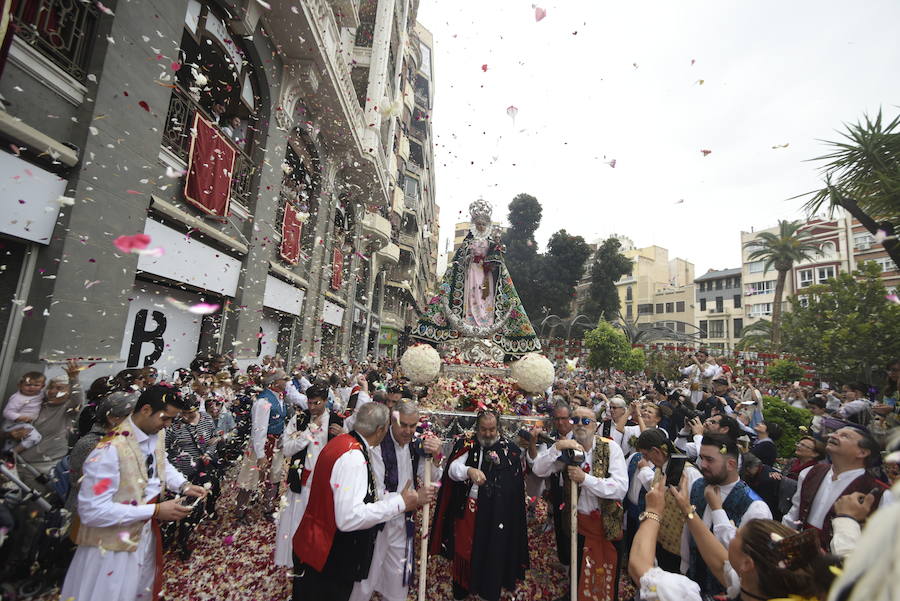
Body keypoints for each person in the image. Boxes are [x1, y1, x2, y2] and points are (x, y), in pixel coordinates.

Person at [59, 385, 208, 601]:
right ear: (146, 409)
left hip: (143, 533)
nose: (168, 425)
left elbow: (161, 463)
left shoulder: (156, 433)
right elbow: (92, 511)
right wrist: (155, 510)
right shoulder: (108, 450)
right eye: (165, 418)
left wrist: (183, 485)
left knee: (139, 588)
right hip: (110, 544)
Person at [291, 402, 434, 601]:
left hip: (314, 542)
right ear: (384, 428)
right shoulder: (354, 457)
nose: (408, 431)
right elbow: (348, 518)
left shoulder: (341, 442)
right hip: (326, 550)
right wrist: (401, 502)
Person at [631, 479, 840, 601]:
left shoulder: (685, 595)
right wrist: (687, 511)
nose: (732, 534)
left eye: (737, 533)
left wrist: (653, 511)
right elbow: (721, 565)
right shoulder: (761, 583)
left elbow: (639, 568)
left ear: (747, 564)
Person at [412, 199, 541, 356]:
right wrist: (469, 258)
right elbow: (458, 263)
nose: (480, 226)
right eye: (478, 223)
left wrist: (492, 257)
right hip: (470, 276)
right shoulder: (467, 243)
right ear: (474, 224)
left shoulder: (493, 244)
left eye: (483, 224)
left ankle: (485, 325)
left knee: (485, 299)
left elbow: (498, 264)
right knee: (470, 298)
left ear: (487, 227)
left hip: (486, 278)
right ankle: (469, 323)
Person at [430, 410, 529, 601]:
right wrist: (469, 471)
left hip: (497, 513)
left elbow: (515, 486)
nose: (488, 434)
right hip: (470, 510)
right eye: (484, 429)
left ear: (498, 428)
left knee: (493, 550)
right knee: (465, 548)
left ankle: (488, 588)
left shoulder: (511, 450)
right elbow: (452, 470)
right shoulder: (466, 443)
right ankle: (463, 585)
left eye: (492, 429)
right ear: (477, 428)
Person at [348, 400, 442, 601]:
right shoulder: (377, 445)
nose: (408, 431)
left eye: (412, 426)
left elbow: (432, 478)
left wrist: (435, 458)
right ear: (392, 420)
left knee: (398, 579)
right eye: (403, 425)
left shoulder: (416, 444)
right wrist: (413, 499)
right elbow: (374, 493)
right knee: (364, 580)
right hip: (376, 524)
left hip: (402, 524)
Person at [532, 405, 628, 601]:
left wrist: (585, 479)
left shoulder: (610, 448)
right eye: (575, 420)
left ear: (595, 425)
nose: (580, 425)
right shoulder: (566, 448)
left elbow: (619, 488)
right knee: (578, 573)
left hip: (606, 525)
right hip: (578, 526)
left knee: (605, 576)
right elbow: (539, 470)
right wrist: (556, 448)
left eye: (585, 421)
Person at [682, 434, 772, 596]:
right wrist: (685, 565)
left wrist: (717, 511)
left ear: (731, 464)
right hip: (693, 580)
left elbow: (744, 558)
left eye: (710, 460)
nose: (702, 465)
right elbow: (689, 530)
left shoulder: (755, 507)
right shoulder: (698, 485)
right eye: (701, 458)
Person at [782, 426, 889, 550]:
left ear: (862, 452)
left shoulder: (879, 493)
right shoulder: (810, 472)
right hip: (798, 553)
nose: (833, 436)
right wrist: (782, 538)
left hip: (838, 562)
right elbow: (795, 513)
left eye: (844, 436)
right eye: (835, 432)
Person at [274, 384, 344, 567]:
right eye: (309, 402)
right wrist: (308, 432)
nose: (312, 407)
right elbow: (288, 449)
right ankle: (295, 561)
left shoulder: (337, 420)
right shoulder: (299, 420)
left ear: (326, 401)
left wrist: (343, 435)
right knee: (297, 523)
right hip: (302, 482)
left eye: (317, 403)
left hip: (327, 484)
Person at [627, 428, 702, 572]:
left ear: (656, 451)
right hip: (661, 543)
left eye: (646, 454)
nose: (646, 459)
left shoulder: (689, 474)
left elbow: (695, 510)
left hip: (679, 549)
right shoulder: (659, 469)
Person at [164, 394, 221, 559]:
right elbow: (164, 450)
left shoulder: (206, 419)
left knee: (214, 489)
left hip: (205, 466)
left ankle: (210, 509)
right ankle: (182, 540)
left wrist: (209, 454)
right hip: (182, 471)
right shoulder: (174, 427)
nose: (185, 417)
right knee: (189, 506)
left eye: (190, 413)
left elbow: (213, 438)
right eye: (183, 413)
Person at [65, 391, 138, 515]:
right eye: (133, 417)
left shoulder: (122, 439)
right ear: (112, 418)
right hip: (87, 514)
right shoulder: (92, 444)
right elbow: (84, 484)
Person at [17, 360, 84, 492]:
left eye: (59, 388)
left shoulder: (67, 410)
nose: (53, 391)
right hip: (18, 464)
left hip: (44, 469)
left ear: (69, 392)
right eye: (51, 387)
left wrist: (74, 379)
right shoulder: (38, 405)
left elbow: (78, 400)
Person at [235, 369, 289, 520]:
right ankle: (240, 511)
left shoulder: (280, 397)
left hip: (276, 444)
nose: (287, 381)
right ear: (276, 382)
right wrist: (260, 454)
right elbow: (259, 429)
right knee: (250, 478)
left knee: (274, 476)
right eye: (285, 379)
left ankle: (268, 507)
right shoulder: (263, 401)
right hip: (262, 445)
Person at [2, 371, 46, 453]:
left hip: (24, 424)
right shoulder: (17, 398)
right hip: (13, 424)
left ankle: (6, 455)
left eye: (36, 385)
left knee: (10, 443)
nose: (32, 387)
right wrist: (19, 417)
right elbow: (7, 412)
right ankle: (12, 452)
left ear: (42, 386)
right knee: (35, 437)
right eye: (28, 385)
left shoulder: (41, 394)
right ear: (20, 386)